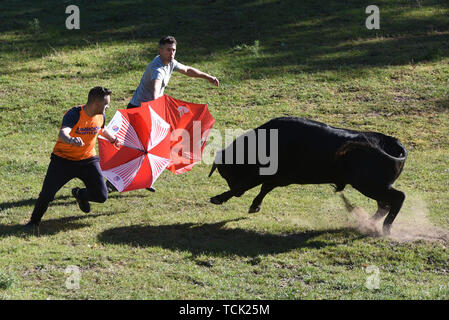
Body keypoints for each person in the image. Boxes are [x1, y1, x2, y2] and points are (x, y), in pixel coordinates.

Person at [24, 87, 123, 234]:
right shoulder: (74, 114)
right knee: (47, 194)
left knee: (101, 196)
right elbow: (63, 133)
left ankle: (80, 194)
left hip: (88, 160)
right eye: (106, 104)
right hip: (63, 160)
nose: (108, 107)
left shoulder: (100, 115)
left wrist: (113, 139)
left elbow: (102, 129)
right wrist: (71, 140)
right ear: (96, 102)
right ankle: (34, 222)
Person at [127, 35, 220, 109]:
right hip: (138, 108)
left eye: (173, 50)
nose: (171, 53)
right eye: (168, 50)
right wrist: (155, 106)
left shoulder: (171, 62)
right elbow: (156, 86)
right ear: (160, 50)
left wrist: (208, 77)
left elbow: (187, 70)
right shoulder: (157, 68)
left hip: (150, 107)